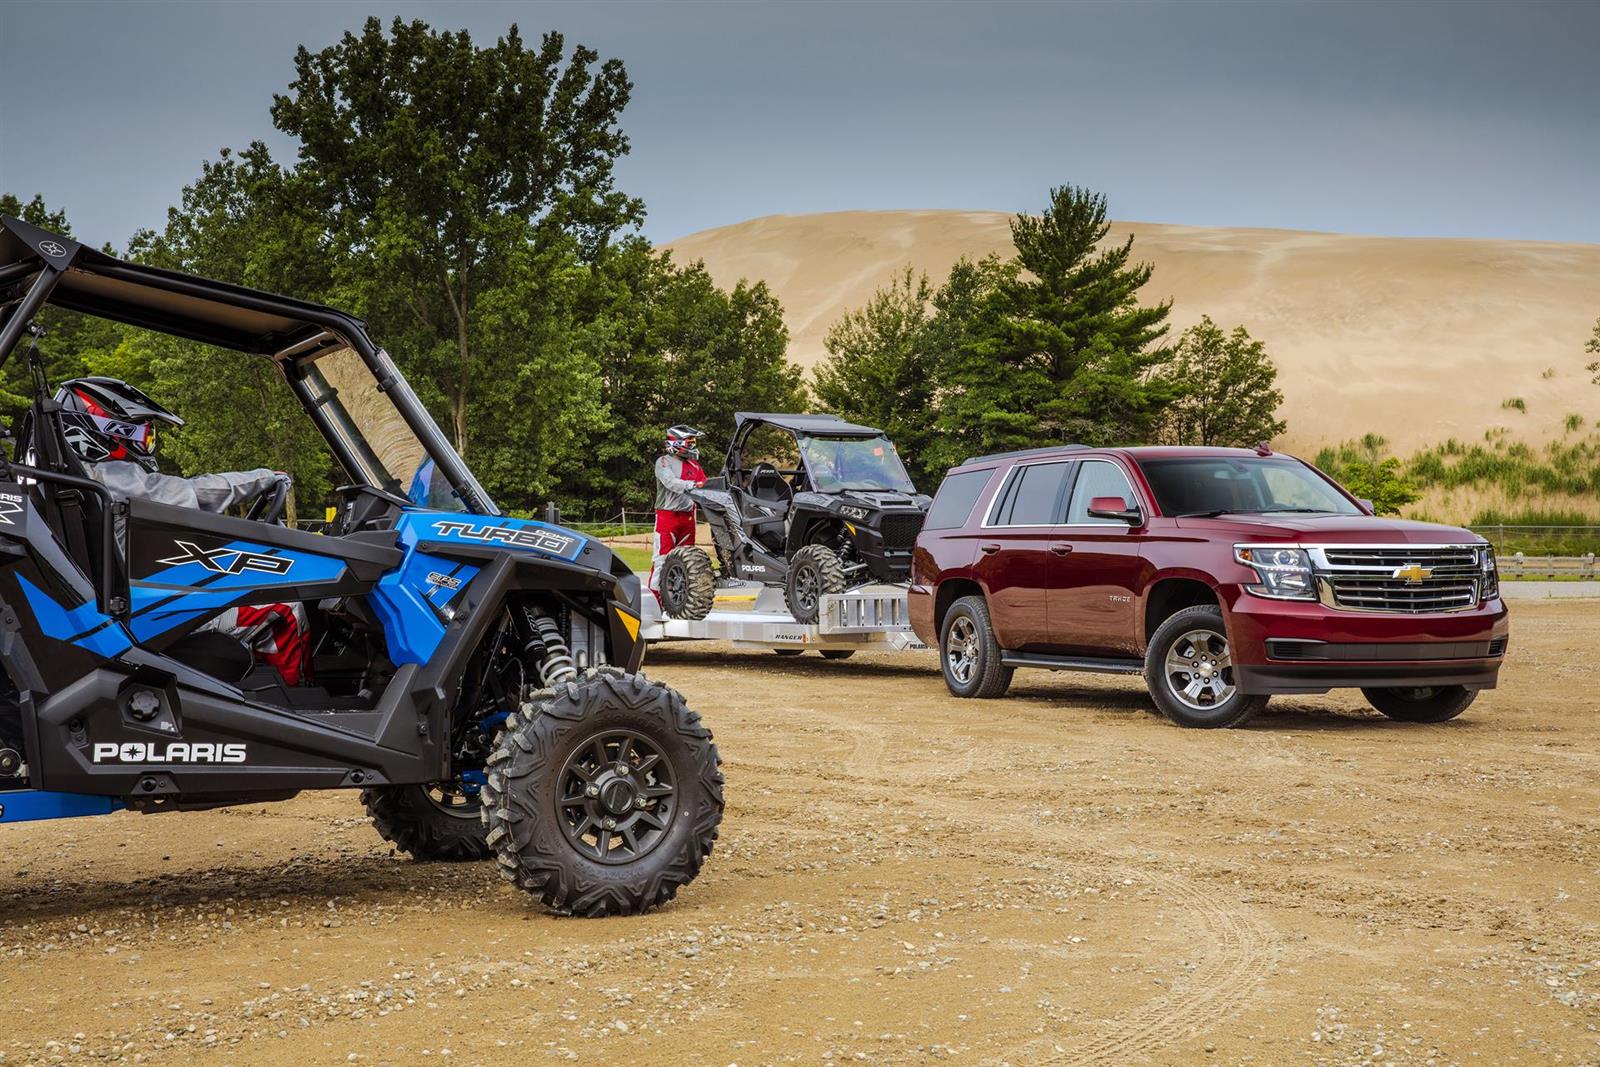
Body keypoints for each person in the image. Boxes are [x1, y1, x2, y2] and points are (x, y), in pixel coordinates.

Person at [55, 377, 312, 685]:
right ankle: (305, 708)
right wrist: (263, 478)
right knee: (285, 607)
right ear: (103, 430)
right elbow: (195, 493)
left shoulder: (75, 478)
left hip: (126, 599)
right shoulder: (110, 479)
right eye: (138, 433)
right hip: (140, 609)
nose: (145, 443)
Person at [649, 424, 706, 602]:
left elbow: (705, 484)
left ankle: (680, 602)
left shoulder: (694, 465)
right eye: (689, 441)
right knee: (662, 559)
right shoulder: (663, 461)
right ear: (677, 442)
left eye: (693, 441)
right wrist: (692, 485)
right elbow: (671, 483)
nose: (692, 445)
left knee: (687, 561)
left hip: (688, 516)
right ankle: (655, 601)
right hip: (667, 516)